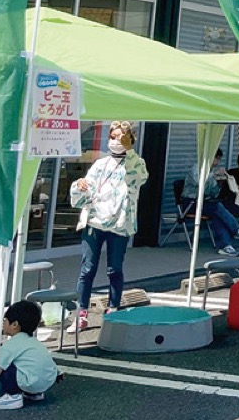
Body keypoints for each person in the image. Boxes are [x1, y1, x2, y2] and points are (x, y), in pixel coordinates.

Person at [70, 120, 148, 332]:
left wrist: (129, 151)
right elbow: (85, 190)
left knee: (114, 268)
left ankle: (113, 309)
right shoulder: (100, 164)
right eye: (112, 137)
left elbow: (138, 177)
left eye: (121, 137)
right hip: (94, 222)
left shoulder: (137, 163)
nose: (116, 141)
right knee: (87, 269)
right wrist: (79, 185)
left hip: (119, 224)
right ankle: (81, 313)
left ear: (131, 139)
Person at [182, 149, 239, 257]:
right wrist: (213, 175)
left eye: (219, 158)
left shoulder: (212, 171)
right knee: (216, 207)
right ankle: (236, 229)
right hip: (191, 203)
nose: (217, 161)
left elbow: (213, 193)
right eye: (215, 157)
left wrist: (218, 185)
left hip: (204, 202)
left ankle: (226, 246)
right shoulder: (198, 167)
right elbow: (198, 181)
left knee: (217, 215)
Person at [0, 300, 59, 410]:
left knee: (5, 363)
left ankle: (13, 397)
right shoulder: (34, 342)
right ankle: (34, 394)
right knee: (27, 364)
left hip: (31, 382)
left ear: (14, 324)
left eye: (5, 321)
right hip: (47, 381)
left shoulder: (11, 344)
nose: (3, 324)